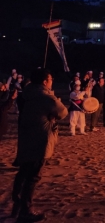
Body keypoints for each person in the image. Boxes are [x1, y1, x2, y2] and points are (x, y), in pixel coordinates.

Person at [11, 69, 68, 222]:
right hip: (39, 140)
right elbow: (62, 112)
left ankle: (16, 203)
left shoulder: (26, 94)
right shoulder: (45, 96)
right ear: (44, 81)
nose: (52, 81)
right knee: (32, 177)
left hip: (26, 137)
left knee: (23, 172)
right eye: (50, 78)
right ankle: (25, 211)